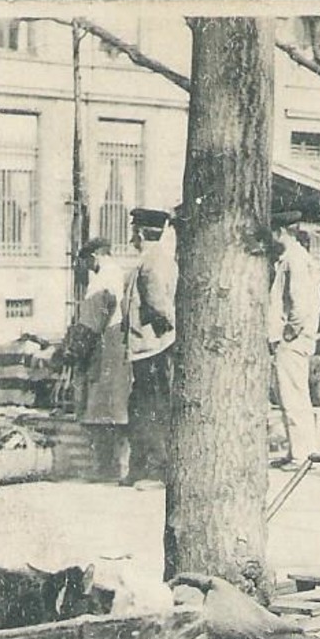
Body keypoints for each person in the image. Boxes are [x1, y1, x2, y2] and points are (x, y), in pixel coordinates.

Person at [122, 207, 178, 489]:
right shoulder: (155, 259)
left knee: (151, 408)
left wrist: (168, 333)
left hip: (153, 347)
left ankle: (156, 471)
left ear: (141, 233)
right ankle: (143, 467)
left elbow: (159, 305)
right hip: (149, 346)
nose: (132, 235)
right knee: (144, 406)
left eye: (134, 230)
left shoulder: (153, 262)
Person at [73, 239, 131, 481]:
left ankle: (106, 468)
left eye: (87, 261)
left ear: (95, 256)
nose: (87, 267)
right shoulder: (119, 273)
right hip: (115, 342)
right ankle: (115, 465)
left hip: (105, 343)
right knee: (114, 407)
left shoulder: (103, 279)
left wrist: (77, 348)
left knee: (101, 408)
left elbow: (95, 318)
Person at [269, 211, 320, 470]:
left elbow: (299, 304)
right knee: (291, 395)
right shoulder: (294, 258)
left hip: (293, 340)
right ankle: (299, 451)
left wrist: (286, 334)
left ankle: (302, 455)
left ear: (281, 232)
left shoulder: (295, 259)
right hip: (296, 339)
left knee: (293, 396)